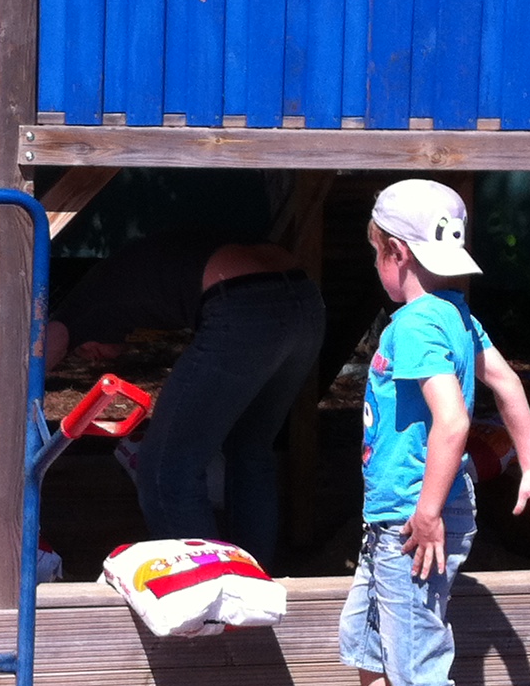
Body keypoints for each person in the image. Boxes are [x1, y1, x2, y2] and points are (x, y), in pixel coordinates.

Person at [310, 179, 530, 686]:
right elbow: (506, 382)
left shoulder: (413, 324)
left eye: (375, 252)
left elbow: (454, 421)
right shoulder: (457, 313)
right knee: (367, 639)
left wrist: (429, 513)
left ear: (395, 253)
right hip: (398, 518)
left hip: (414, 521)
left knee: (417, 662)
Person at [42, 231, 326, 568]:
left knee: (166, 470)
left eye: (84, 352)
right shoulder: (127, 279)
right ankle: (255, 579)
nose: (92, 358)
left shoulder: (79, 309)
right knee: (249, 450)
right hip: (305, 301)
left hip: (244, 305)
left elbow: (38, 354)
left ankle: (207, 584)